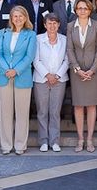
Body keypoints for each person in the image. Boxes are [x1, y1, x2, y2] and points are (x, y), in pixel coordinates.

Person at [0, 5, 37, 155]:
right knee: (5, 113)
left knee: (22, 113)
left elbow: (29, 56)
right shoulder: (3, 33)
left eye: (21, 16)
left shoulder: (31, 35)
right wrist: (7, 69)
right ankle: (6, 145)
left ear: (25, 18)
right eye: (15, 16)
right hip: (4, 76)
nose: (18, 19)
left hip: (22, 76)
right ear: (11, 18)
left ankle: (20, 145)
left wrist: (16, 70)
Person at [67, 0, 97, 153]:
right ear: (75, 10)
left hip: (93, 72)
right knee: (78, 105)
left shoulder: (96, 25)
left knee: (91, 105)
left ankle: (89, 139)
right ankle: (80, 139)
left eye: (85, 8)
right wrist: (77, 69)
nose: (82, 11)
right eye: (79, 8)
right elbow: (69, 49)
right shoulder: (70, 26)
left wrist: (92, 69)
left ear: (90, 10)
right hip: (77, 73)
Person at [33, 14, 69, 152]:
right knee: (42, 111)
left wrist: (57, 75)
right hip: (41, 79)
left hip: (59, 80)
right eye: (49, 23)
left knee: (54, 111)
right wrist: (48, 75)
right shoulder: (38, 39)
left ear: (59, 25)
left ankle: (54, 141)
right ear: (44, 25)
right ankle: (43, 141)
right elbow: (36, 60)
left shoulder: (64, 40)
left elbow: (67, 60)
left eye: (55, 23)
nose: (52, 26)